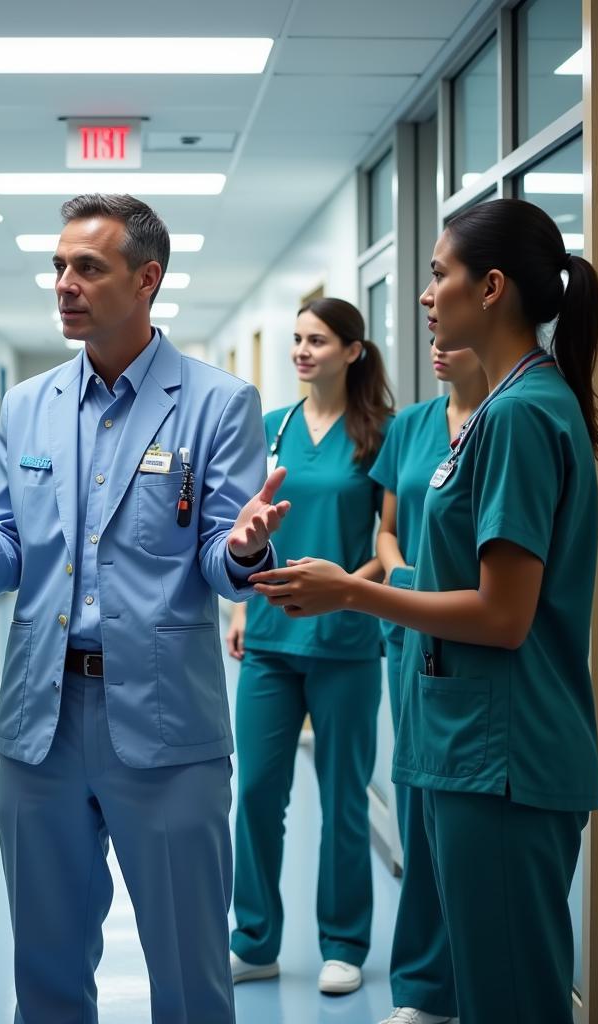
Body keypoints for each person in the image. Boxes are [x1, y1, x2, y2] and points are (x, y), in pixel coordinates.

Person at [0, 193, 289, 1024]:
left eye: (88, 267)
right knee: (44, 972)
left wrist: (249, 547)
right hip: (40, 724)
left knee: (189, 975)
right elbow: (10, 551)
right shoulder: (28, 406)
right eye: (58, 266)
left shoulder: (217, 404)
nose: (64, 284)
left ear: (147, 279)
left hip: (166, 728)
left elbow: (223, 562)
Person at [253, 198, 598, 1024]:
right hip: (470, 738)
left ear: (490, 288)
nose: (424, 292)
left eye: (438, 274)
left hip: (505, 751)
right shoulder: (500, 410)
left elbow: (504, 615)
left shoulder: (518, 416)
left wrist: (353, 589)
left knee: (513, 997)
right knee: (488, 989)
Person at [227, 298, 393, 996]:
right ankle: (255, 939)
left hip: (347, 639)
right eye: (295, 339)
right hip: (269, 637)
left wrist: (344, 589)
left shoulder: (381, 435)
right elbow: (243, 531)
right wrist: (236, 606)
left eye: (317, 340)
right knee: (258, 792)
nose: (301, 351)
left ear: (353, 350)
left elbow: (390, 547)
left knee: (343, 798)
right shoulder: (272, 429)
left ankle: (345, 943)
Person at [369, 336, 488, 1024]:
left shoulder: (504, 419)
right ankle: (423, 987)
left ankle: (465, 981)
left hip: (469, 628)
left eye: (455, 339)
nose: (438, 349)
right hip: (409, 628)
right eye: (433, 341)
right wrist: (404, 572)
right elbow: (386, 531)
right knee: (415, 800)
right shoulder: (411, 425)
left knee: (459, 817)